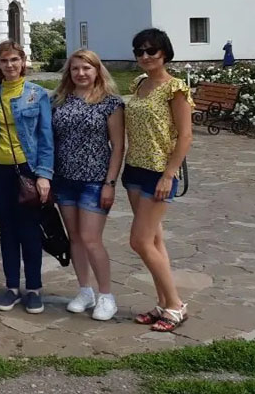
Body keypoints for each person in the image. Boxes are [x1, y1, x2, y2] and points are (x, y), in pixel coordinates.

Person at [0, 41, 53, 315]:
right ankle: (11, 287)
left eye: (14, 60)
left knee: (29, 230)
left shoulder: (37, 95)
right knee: (7, 230)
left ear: (23, 62)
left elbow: (45, 138)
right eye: (4, 60)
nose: (9, 65)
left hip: (27, 171)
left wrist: (44, 175)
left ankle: (34, 289)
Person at [124, 28, 193, 333]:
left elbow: (186, 136)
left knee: (139, 241)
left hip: (158, 172)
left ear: (164, 52)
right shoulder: (139, 84)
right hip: (134, 168)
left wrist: (169, 174)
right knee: (153, 241)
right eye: (139, 51)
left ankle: (176, 304)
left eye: (151, 50)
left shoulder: (175, 88)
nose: (145, 56)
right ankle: (163, 303)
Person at [51, 49, 125, 321]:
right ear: (69, 72)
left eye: (86, 68)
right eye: (75, 69)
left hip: (95, 181)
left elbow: (118, 146)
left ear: (97, 70)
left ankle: (106, 295)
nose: (81, 73)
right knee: (75, 238)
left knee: (91, 239)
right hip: (64, 179)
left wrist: (110, 183)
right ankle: (85, 290)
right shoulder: (59, 100)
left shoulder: (110, 103)